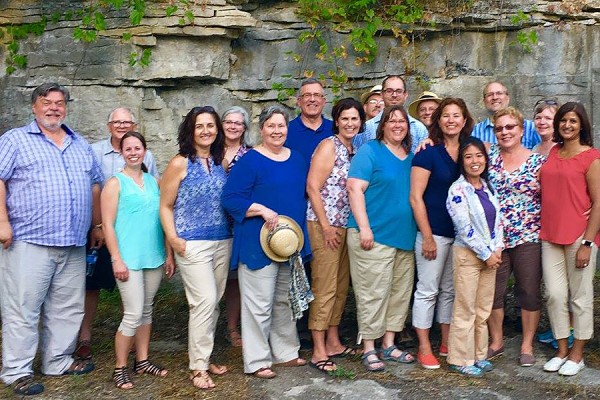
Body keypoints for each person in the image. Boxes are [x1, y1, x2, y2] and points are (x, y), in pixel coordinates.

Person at [0, 82, 102, 396]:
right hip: (28, 241)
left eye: (59, 102)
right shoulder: (15, 140)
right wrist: (2, 221)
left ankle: (57, 360)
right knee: (22, 308)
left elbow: (96, 186)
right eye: (47, 102)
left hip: (72, 243)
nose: (53, 107)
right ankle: (17, 371)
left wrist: (95, 225)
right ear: (34, 106)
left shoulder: (80, 144)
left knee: (68, 308)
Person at [222, 105, 310, 379]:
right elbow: (230, 199)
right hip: (256, 243)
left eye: (281, 126)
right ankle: (258, 360)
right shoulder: (250, 161)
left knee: (283, 300)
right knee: (258, 304)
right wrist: (259, 209)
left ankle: (285, 352)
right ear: (261, 130)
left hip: (288, 243)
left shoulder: (297, 159)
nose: (276, 131)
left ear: (287, 128)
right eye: (271, 126)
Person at [76, 107, 159, 361]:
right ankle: (85, 336)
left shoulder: (149, 169)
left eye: (127, 122)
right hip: (103, 231)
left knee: (139, 305)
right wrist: (96, 227)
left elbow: (153, 200)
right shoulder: (95, 151)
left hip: (141, 244)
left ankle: (138, 350)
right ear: (108, 124)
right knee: (92, 285)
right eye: (117, 121)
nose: (122, 125)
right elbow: (91, 189)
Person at [160, 106, 231, 389]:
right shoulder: (179, 163)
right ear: (190, 131)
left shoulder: (220, 162)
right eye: (199, 126)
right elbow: (165, 206)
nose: (206, 131)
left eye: (211, 126)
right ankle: (198, 368)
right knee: (203, 301)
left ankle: (205, 355)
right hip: (192, 243)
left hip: (222, 240)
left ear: (217, 130)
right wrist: (173, 240)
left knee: (213, 303)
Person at [101, 131, 175, 389]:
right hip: (128, 258)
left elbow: (165, 219)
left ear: (145, 151)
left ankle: (142, 360)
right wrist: (116, 259)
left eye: (138, 148)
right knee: (131, 313)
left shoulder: (155, 181)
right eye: (128, 148)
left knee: (146, 310)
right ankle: (120, 367)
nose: (133, 152)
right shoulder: (114, 183)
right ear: (121, 152)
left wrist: (168, 253)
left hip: (152, 255)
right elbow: (108, 225)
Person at [347, 105, 417, 372]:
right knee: (372, 294)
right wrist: (364, 228)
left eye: (402, 121)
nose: (398, 125)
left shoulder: (410, 156)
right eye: (392, 121)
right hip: (373, 235)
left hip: (404, 237)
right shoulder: (370, 151)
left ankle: (389, 344)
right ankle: (369, 347)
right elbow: (354, 189)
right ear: (383, 125)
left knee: (398, 294)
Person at [410, 97, 474, 370]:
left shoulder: (470, 150)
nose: (451, 120)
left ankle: (446, 341)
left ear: (464, 120)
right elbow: (415, 197)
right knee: (427, 290)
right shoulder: (427, 152)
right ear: (438, 121)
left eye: (456, 115)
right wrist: (425, 235)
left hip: (461, 235)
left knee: (449, 290)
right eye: (445, 115)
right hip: (433, 233)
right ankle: (424, 346)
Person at [539, 102, 600, 376]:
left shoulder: (591, 157)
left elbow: (598, 203)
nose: (567, 125)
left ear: (582, 125)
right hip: (550, 234)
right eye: (563, 121)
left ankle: (577, 355)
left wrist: (588, 242)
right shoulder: (553, 152)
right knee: (554, 295)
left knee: (581, 297)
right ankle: (561, 349)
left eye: (573, 121)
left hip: (579, 237)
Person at [306, 98, 365, 373]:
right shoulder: (329, 145)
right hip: (324, 225)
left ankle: (333, 341)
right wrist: (326, 226)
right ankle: (318, 349)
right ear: (337, 121)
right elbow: (313, 187)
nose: (350, 123)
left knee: (341, 287)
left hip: (346, 226)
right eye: (345, 119)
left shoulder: (354, 148)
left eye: (355, 119)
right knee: (325, 286)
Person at [485, 107, 546, 367]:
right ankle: (496, 342)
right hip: (496, 238)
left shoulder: (537, 161)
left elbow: (553, 195)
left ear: (521, 130)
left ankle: (526, 345)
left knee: (529, 292)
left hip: (528, 236)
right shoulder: (488, 158)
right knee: (493, 292)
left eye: (510, 127)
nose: (505, 132)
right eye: (499, 128)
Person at [446, 136, 503, 377]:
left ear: (485, 159)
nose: (474, 161)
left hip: (491, 255)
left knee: (483, 309)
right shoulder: (457, 190)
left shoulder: (487, 186)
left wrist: (497, 248)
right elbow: (464, 228)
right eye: (468, 157)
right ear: (462, 161)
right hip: (469, 255)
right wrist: (486, 253)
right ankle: (460, 358)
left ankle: (479, 354)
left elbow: (498, 220)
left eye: (479, 156)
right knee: (465, 308)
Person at [221, 106, 252, 348]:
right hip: (213, 221)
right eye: (228, 122)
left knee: (235, 280)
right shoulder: (208, 151)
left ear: (245, 128)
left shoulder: (250, 154)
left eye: (238, 123)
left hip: (240, 222)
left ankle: (233, 328)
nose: (233, 126)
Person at [353, 75, 428, 152]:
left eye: (399, 91)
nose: (394, 95)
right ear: (382, 94)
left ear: (405, 95)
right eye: (389, 91)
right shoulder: (367, 128)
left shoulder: (419, 129)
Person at [471, 82, 540, 149]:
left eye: (499, 93)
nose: (495, 97)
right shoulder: (475, 132)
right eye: (490, 95)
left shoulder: (530, 128)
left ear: (507, 98)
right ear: (484, 101)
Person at [285, 78, 334, 165]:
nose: (312, 99)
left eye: (317, 95)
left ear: (324, 101)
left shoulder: (335, 130)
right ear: (299, 101)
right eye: (307, 95)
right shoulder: (286, 130)